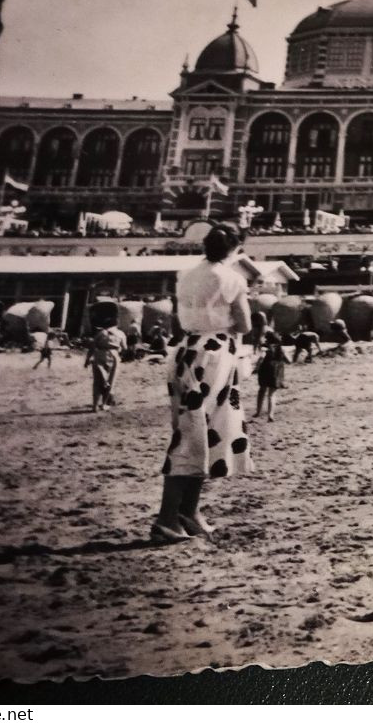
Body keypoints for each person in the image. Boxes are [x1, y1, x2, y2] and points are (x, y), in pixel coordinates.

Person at [153, 222, 253, 543]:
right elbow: (246, 323)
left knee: (197, 431)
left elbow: (179, 318)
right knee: (196, 435)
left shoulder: (185, 275)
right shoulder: (233, 278)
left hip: (187, 351)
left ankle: (188, 512)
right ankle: (167, 518)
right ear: (236, 248)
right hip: (215, 354)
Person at [84, 323, 126, 411]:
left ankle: (95, 406)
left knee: (97, 381)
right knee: (111, 380)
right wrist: (119, 351)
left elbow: (93, 346)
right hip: (114, 355)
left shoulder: (101, 333)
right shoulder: (120, 333)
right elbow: (125, 348)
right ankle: (103, 404)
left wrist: (87, 359)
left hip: (100, 354)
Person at [254, 329, 288, 421]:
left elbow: (261, 358)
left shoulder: (266, 347)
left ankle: (258, 412)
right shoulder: (281, 348)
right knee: (272, 394)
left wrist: (256, 368)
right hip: (276, 371)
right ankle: (270, 415)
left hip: (265, 369)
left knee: (261, 391)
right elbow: (288, 360)